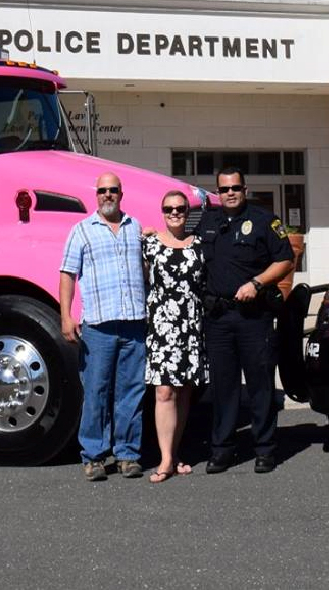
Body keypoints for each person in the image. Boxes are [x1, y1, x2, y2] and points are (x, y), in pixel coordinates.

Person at [196, 168, 294, 473]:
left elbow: (286, 259)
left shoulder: (265, 221)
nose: (230, 193)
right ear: (217, 191)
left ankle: (265, 449)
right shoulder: (206, 222)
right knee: (223, 387)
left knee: (259, 384)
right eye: (224, 189)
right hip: (218, 317)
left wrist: (257, 283)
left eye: (235, 187)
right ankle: (222, 450)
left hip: (254, 318)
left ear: (245, 188)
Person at [58, 172, 148, 480]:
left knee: (131, 392)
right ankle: (94, 456)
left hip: (135, 324)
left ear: (121, 193)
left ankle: (127, 454)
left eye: (113, 190)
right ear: (96, 195)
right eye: (102, 191)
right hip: (98, 327)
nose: (107, 195)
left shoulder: (135, 228)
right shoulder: (81, 231)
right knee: (96, 391)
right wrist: (65, 316)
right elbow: (68, 274)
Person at [142, 188, 208, 482]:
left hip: (191, 325)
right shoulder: (149, 244)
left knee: (183, 391)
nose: (174, 213)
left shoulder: (200, 246)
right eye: (169, 209)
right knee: (164, 390)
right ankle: (165, 459)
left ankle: (175, 452)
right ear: (162, 211)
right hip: (161, 326)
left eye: (180, 208)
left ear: (187, 211)